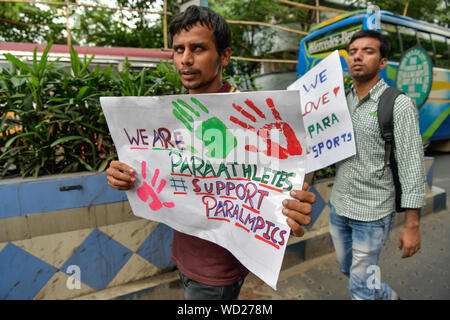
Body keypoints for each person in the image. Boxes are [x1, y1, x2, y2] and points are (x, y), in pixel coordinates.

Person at [106, 5, 316, 300]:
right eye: (179, 50)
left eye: (198, 48)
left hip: (217, 272)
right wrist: (123, 175)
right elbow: (159, 175)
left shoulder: (251, 117)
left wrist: (289, 208)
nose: (186, 59)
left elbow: (272, 184)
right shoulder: (167, 118)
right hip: (184, 256)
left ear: (224, 56)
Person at [329, 30, 426, 300]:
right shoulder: (338, 101)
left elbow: (411, 166)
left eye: (368, 51)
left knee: (360, 288)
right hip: (339, 206)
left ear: (382, 62)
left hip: (372, 214)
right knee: (348, 268)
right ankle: (386, 295)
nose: (358, 56)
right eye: (353, 51)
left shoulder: (399, 104)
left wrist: (412, 225)